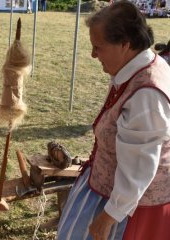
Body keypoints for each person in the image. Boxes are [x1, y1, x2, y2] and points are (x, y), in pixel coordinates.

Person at [56, 1, 170, 240]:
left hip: (129, 207)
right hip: (107, 186)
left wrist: (110, 216)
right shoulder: (134, 67)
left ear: (125, 45)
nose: (93, 54)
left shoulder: (147, 94)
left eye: (98, 47)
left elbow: (140, 164)